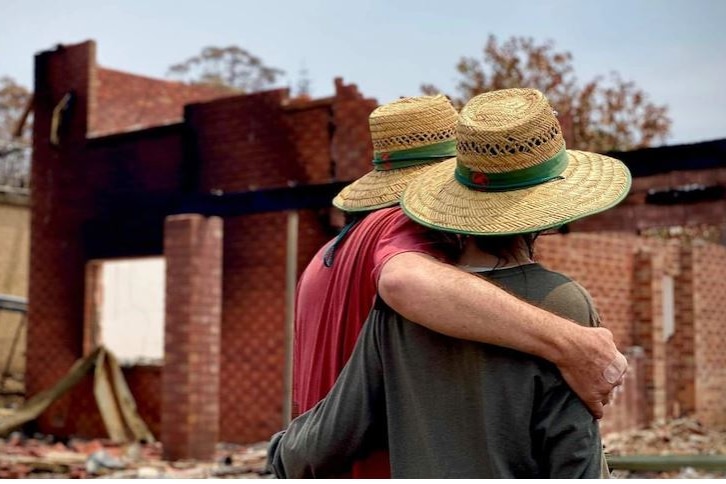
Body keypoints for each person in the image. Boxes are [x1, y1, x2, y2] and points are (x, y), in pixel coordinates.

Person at [271, 88, 633, 478]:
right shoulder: (401, 240)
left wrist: (281, 452)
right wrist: (570, 341)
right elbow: (575, 458)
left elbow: (331, 432)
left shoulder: (334, 262)